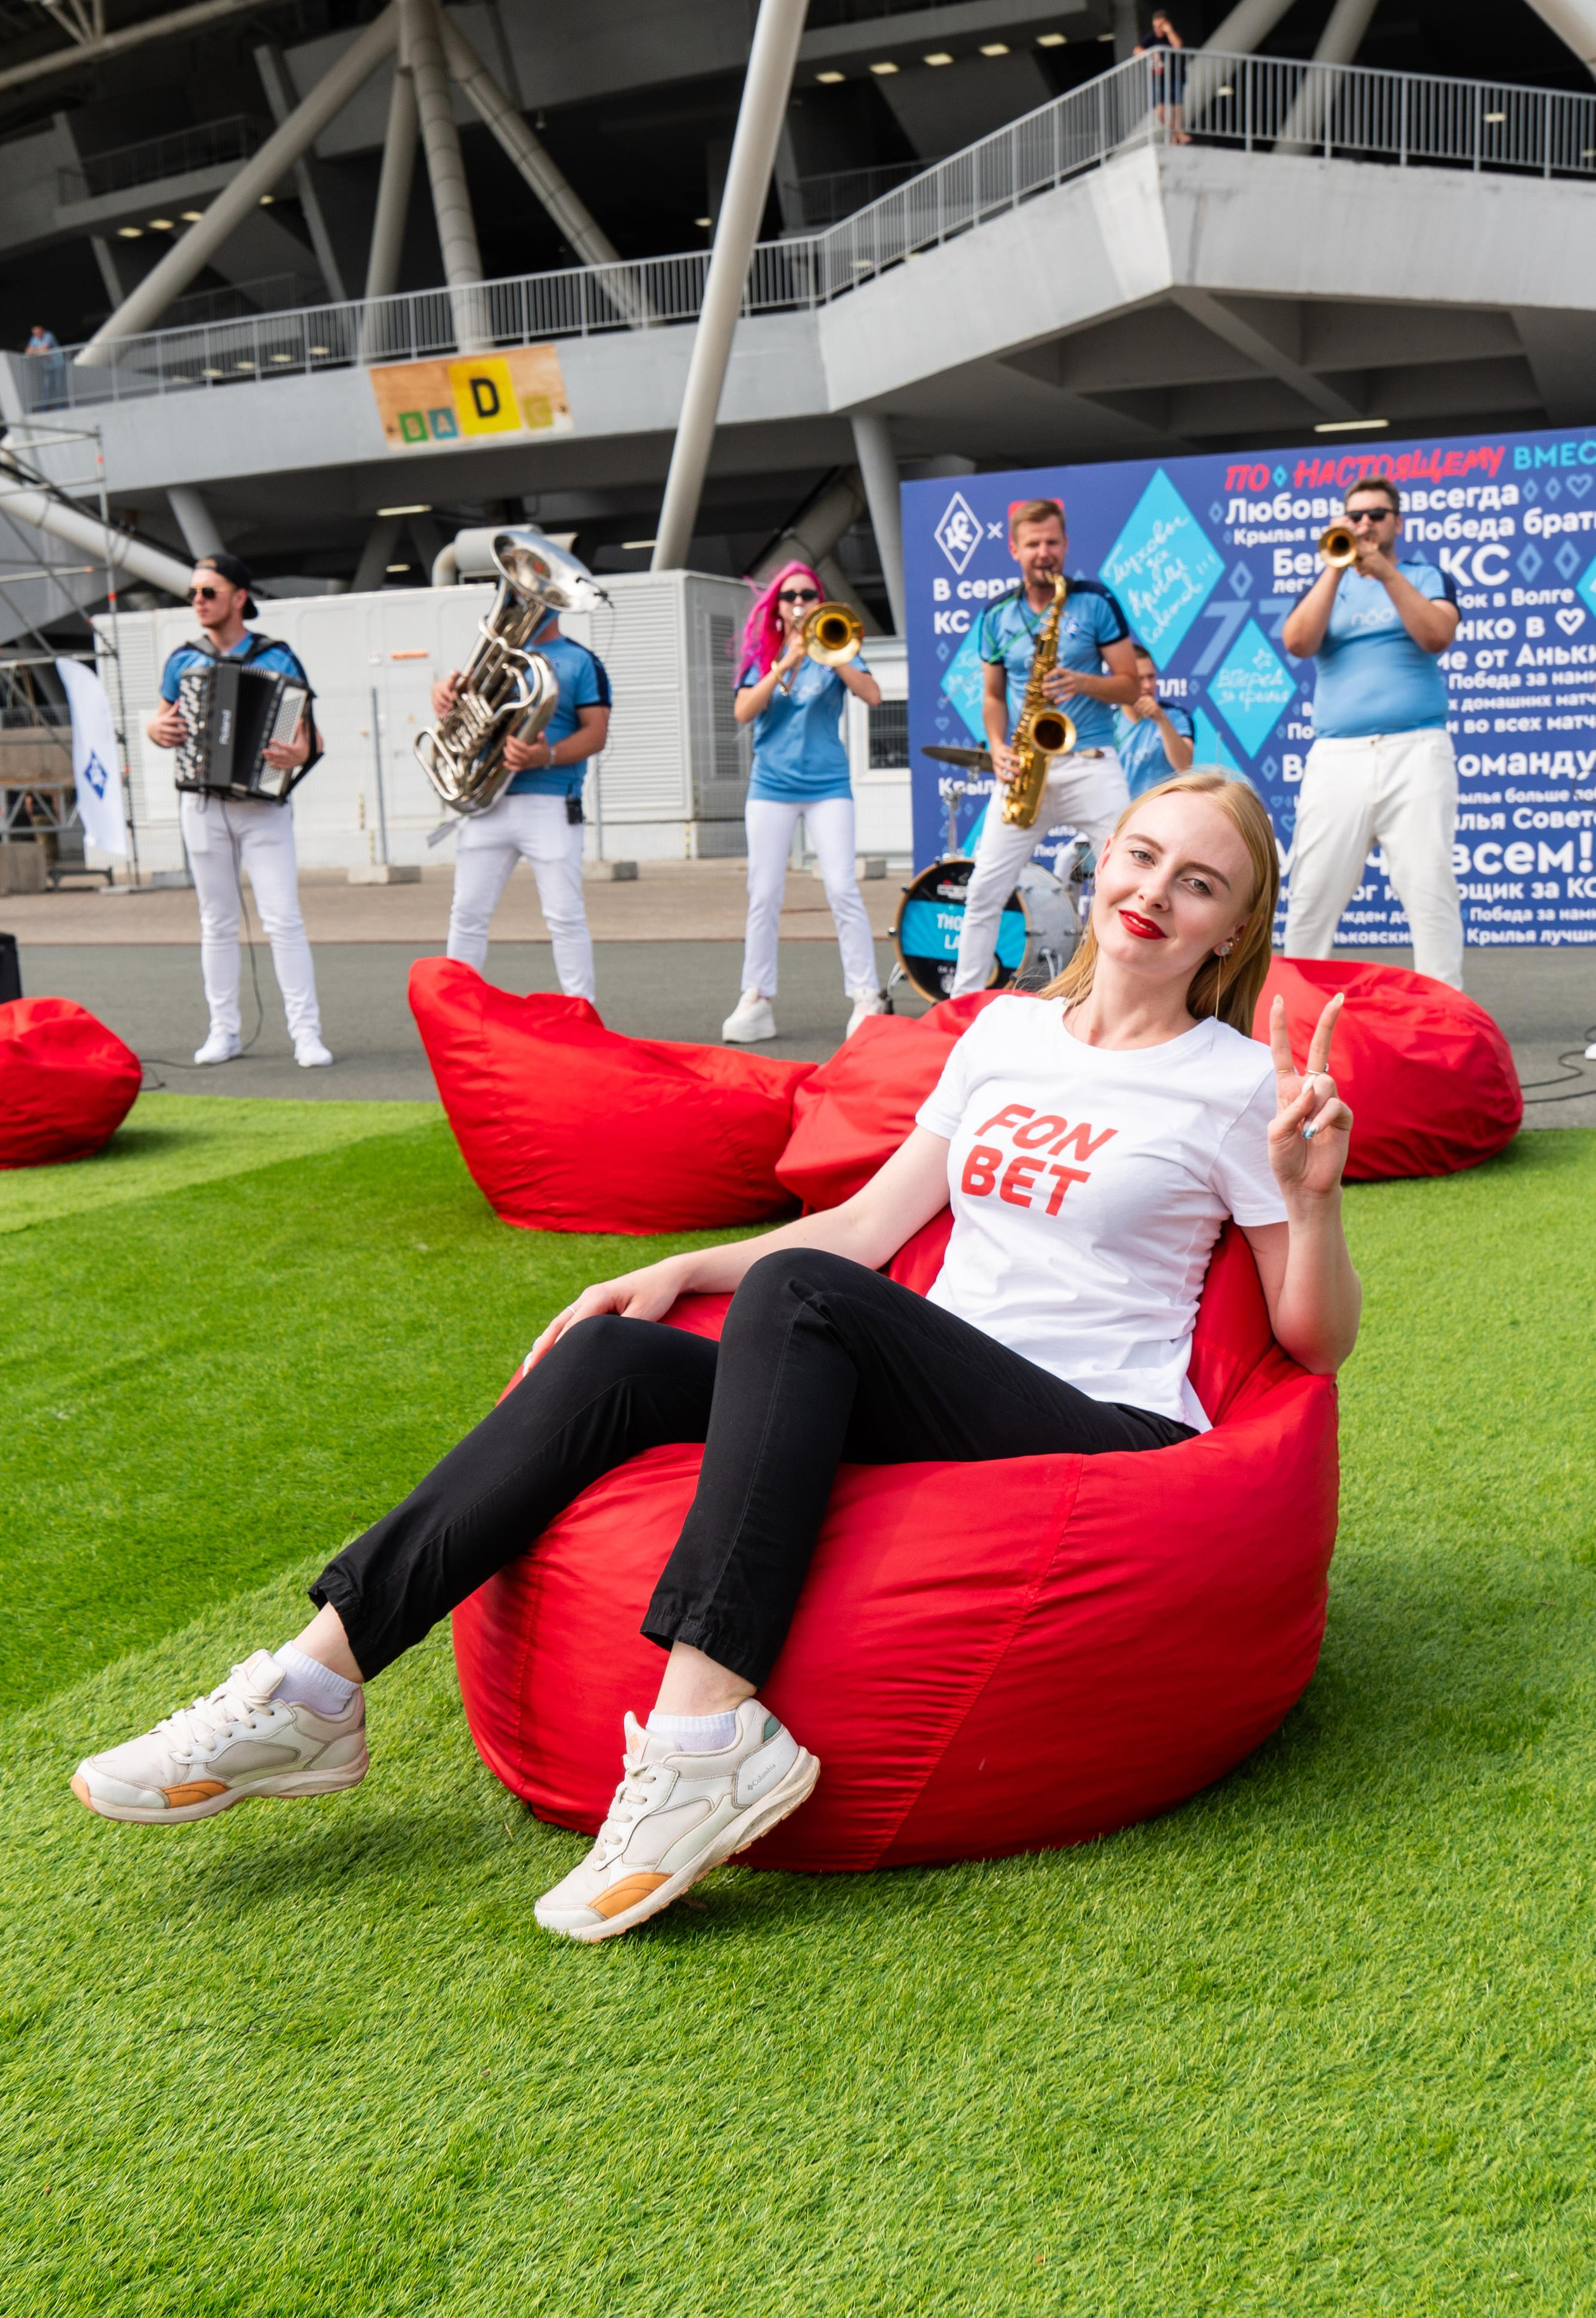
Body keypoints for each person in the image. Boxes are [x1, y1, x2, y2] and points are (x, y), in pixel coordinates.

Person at [72, 769, 1360, 1948]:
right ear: (1100, 865)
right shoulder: (1007, 1034)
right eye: (1140, 858)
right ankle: (314, 1685)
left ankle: (703, 1737)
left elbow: (1312, 1346)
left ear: (1229, 930)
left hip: (1093, 1422)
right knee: (608, 1366)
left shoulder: (1237, 1084)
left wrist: (1309, 1200)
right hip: (936, 1380)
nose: (1153, 895)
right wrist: (676, 1271)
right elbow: (865, 1229)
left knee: (803, 1298)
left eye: (1198, 884)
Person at [146, 552, 331, 1069]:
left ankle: (306, 1034)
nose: (198, 602)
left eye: (209, 592)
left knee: (283, 920)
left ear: (240, 598)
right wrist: (154, 730)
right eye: (194, 594)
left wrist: (298, 755)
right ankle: (222, 1031)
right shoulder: (184, 659)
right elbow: (162, 721)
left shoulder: (278, 658)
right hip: (202, 804)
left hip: (263, 806)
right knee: (216, 922)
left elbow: (308, 737)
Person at [1280, 476, 1463, 987]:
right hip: (1338, 756)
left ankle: (1446, 1011)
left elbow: (1436, 635)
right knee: (1314, 889)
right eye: (1354, 516)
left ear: (1396, 523)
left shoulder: (1426, 576)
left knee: (1430, 889)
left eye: (1376, 515)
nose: (1365, 524)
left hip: (1417, 749)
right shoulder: (1325, 584)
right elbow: (1298, 641)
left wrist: (1384, 573)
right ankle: (1298, 1007)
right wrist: (1335, 570)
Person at [953, 498, 1138, 995]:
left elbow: (1129, 686)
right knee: (983, 892)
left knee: (1128, 882)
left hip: (1092, 761)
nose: (1044, 553)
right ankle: (961, 1009)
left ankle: (1121, 994)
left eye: (1052, 542)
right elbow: (993, 697)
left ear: (1066, 545)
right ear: (1015, 549)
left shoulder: (1095, 601)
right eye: (1033, 544)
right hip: (1026, 770)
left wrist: (1081, 682)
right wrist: (996, 746)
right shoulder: (996, 615)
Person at [721, 563, 885, 1046]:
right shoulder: (763, 656)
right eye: (789, 595)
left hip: (827, 786)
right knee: (764, 893)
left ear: (820, 599)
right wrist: (786, 661)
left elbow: (873, 696)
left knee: (841, 887)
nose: (798, 602)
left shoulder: (840, 647)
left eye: (807, 594)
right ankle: (756, 996)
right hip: (770, 787)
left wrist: (831, 656)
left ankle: (864, 995)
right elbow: (743, 711)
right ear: (776, 606)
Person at [432, 600, 610, 999]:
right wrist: (442, 696)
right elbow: (461, 715)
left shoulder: (582, 661)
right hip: (486, 803)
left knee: (564, 916)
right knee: (467, 915)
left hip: (550, 802)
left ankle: (582, 1016)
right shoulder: (492, 658)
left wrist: (544, 756)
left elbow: (596, 734)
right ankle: (457, 1013)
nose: (521, 603)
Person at [1116, 644, 1195, 799]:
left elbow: (1185, 766)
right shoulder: (1108, 721)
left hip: (1165, 812)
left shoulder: (1176, 716)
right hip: (1121, 815)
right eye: (1140, 679)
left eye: (1151, 677)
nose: (1147, 686)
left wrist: (1162, 720)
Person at [1136, 11, 1190, 145]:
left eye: (1160, 26)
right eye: (1155, 26)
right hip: (1159, 78)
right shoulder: (1152, 37)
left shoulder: (1173, 33)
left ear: (1167, 24)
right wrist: (1151, 53)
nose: (1157, 29)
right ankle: (1178, 134)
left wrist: (1169, 31)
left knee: (1175, 108)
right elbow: (1137, 50)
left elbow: (1178, 46)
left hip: (1175, 76)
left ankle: (1176, 137)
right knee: (1160, 111)